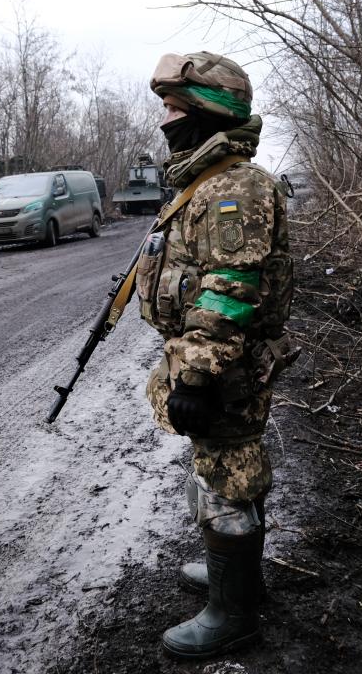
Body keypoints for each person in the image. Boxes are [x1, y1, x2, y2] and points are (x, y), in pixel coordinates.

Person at [141, 51, 296, 659]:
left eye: (175, 108)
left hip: (226, 364)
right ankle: (241, 577)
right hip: (212, 357)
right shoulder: (205, 181)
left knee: (227, 476)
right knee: (224, 466)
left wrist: (198, 376)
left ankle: (234, 614)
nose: (164, 120)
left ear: (207, 112)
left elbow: (231, 287)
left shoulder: (236, 188)